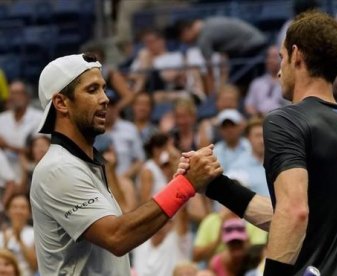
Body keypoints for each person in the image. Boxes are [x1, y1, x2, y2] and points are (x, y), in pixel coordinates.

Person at [179, 10, 337, 275]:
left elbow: (294, 213)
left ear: (297, 55)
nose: (278, 72)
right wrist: (215, 186)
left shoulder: (286, 120)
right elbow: (298, 219)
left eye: (282, 58)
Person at [30, 53, 222, 275]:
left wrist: (180, 182)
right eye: (92, 90)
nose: (105, 99)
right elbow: (117, 237)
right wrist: (185, 185)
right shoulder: (58, 169)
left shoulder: (81, 164)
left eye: (103, 88)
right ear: (61, 103)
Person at [244, 46, 289, 117]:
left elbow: (290, 105)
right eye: (269, 57)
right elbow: (249, 105)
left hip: (281, 119)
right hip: (259, 119)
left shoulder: (287, 82)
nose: (271, 60)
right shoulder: (257, 83)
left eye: (275, 57)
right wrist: (257, 116)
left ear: (282, 59)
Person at [0, 193, 37, 276]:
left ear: (29, 212)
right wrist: (6, 243)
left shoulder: (35, 233)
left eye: (23, 207)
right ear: (8, 211)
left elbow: (35, 265)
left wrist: (19, 238)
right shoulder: (2, 235)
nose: (18, 211)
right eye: (14, 207)